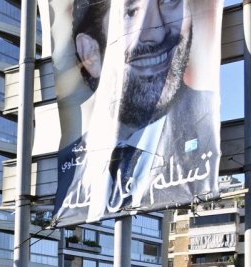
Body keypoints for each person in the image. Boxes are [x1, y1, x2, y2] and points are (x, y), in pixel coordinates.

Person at [54, 0, 219, 225]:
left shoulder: (206, 129)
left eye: (170, 2)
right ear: (90, 53)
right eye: (130, 12)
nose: (158, 32)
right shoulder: (76, 161)